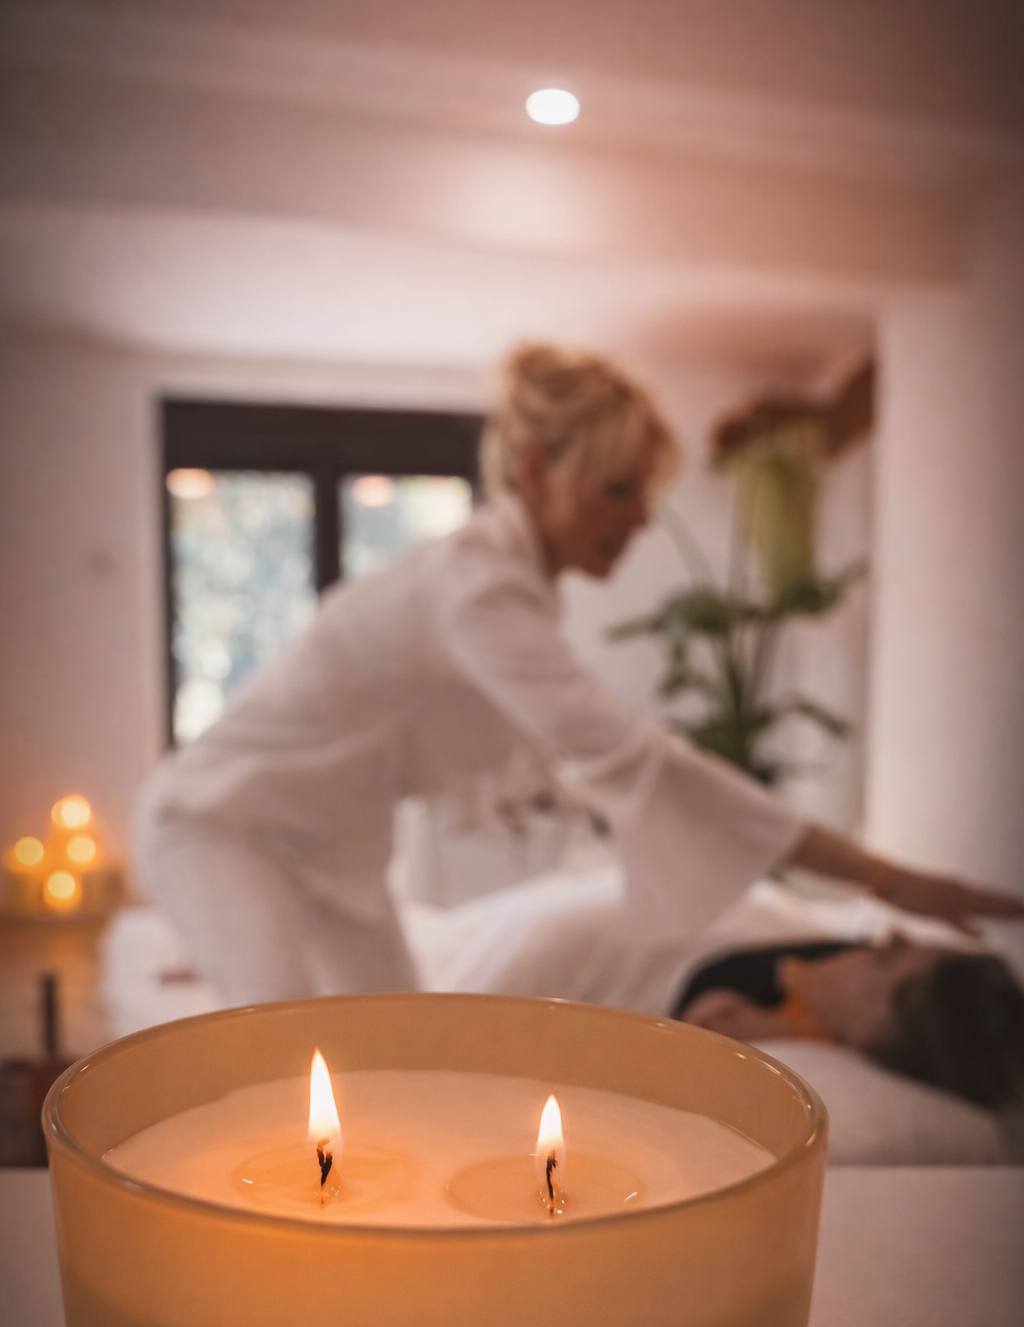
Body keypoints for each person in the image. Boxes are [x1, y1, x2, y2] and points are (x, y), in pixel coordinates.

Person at [138, 343, 1023, 1006]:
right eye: (618, 489)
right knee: (284, 1054)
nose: (639, 519)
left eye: (643, 492)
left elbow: (579, 772)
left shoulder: (510, 592)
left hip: (339, 856)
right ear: (535, 472)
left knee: (405, 1054)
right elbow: (647, 764)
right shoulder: (477, 590)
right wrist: (892, 882)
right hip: (224, 829)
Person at [677, 936, 1024, 1109]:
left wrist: (761, 1026)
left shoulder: (811, 1030)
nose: (891, 934)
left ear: (868, 1032)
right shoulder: (828, 965)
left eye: (885, 958)